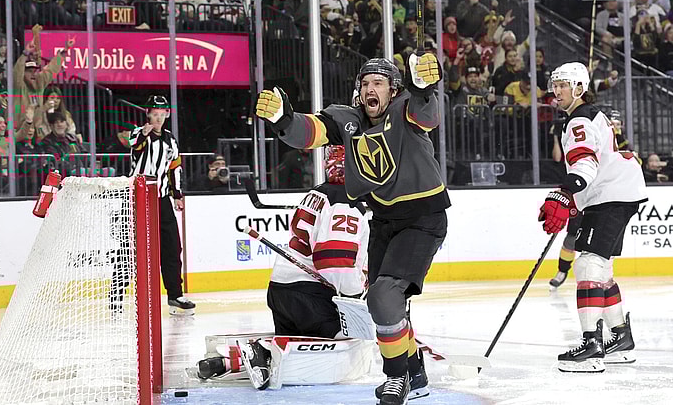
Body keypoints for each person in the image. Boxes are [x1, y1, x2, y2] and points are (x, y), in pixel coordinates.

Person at [255, 54, 449, 405]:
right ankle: (415, 371)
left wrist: (425, 88)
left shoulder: (406, 107)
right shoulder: (349, 119)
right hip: (384, 220)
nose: (370, 88)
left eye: (378, 82)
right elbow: (310, 131)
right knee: (387, 305)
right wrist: (282, 119)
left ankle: (396, 378)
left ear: (393, 88)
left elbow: (428, 115)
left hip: (423, 216)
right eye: (365, 83)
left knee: (384, 296)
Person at [196, 146, 391, 392]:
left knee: (291, 353)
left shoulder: (318, 193)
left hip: (282, 289)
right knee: (351, 343)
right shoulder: (345, 203)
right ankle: (262, 348)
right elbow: (334, 260)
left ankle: (231, 360)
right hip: (310, 295)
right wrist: (354, 296)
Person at [540, 62, 647, 372]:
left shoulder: (578, 119)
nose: (556, 90)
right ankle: (621, 339)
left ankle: (592, 346)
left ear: (579, 88)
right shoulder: (587, 115)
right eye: (554, 83)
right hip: (616, 192)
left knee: (588, 264)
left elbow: (585, 165)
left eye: (563, 84)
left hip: (610, 195)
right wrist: (574, 197)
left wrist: (564, 193)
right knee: (601, 269)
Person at [127, 95, 194, 315]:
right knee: (130, 249)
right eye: (154, 114)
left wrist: (178, 194)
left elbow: (174, 168)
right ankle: (117, 294)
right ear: (148, 114)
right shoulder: (140, 134)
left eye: (161, 114)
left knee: (172, 246)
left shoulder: (170, 140)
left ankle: (175, 295)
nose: (157, 118)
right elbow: (134, 144)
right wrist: (142, 134)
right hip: (137, 199)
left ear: (167, 114)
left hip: (162, 199)